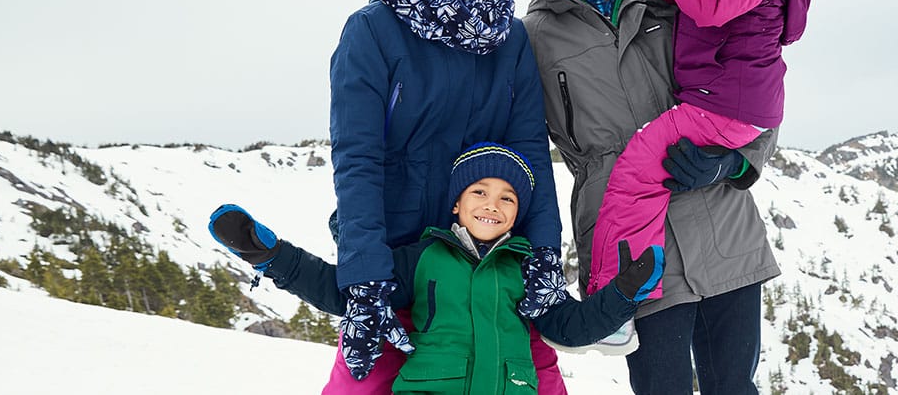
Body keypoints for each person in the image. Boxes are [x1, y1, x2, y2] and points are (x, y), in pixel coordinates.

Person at [524, 0, 786, 395]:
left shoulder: (673, 2)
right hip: (633, 253)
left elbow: (752, 86)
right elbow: (521, 152)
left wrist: (734, 163)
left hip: (722, 228)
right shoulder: (536, 36)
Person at [326, 0, 568, 393]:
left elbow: (530, 153)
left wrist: (544, 253)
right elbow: (358, 161)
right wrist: (366, 280)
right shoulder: (373, 31)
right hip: (398, 266)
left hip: (489, 264)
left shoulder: (510, 38)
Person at [209, 143, 664, 394]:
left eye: (507, 198)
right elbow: (346, 293)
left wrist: (623, 293)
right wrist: (272, 256)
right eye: (479, 192)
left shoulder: (527, 269)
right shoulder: (424, 257)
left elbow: (570, 326)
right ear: (456, 205)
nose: (492, 204)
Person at [583, 0, 813, 338]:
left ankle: (613, 306)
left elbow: (705, 2)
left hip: (724, 104)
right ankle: (624, 298)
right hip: (725, 101)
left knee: (636, 173)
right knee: (642, 172)